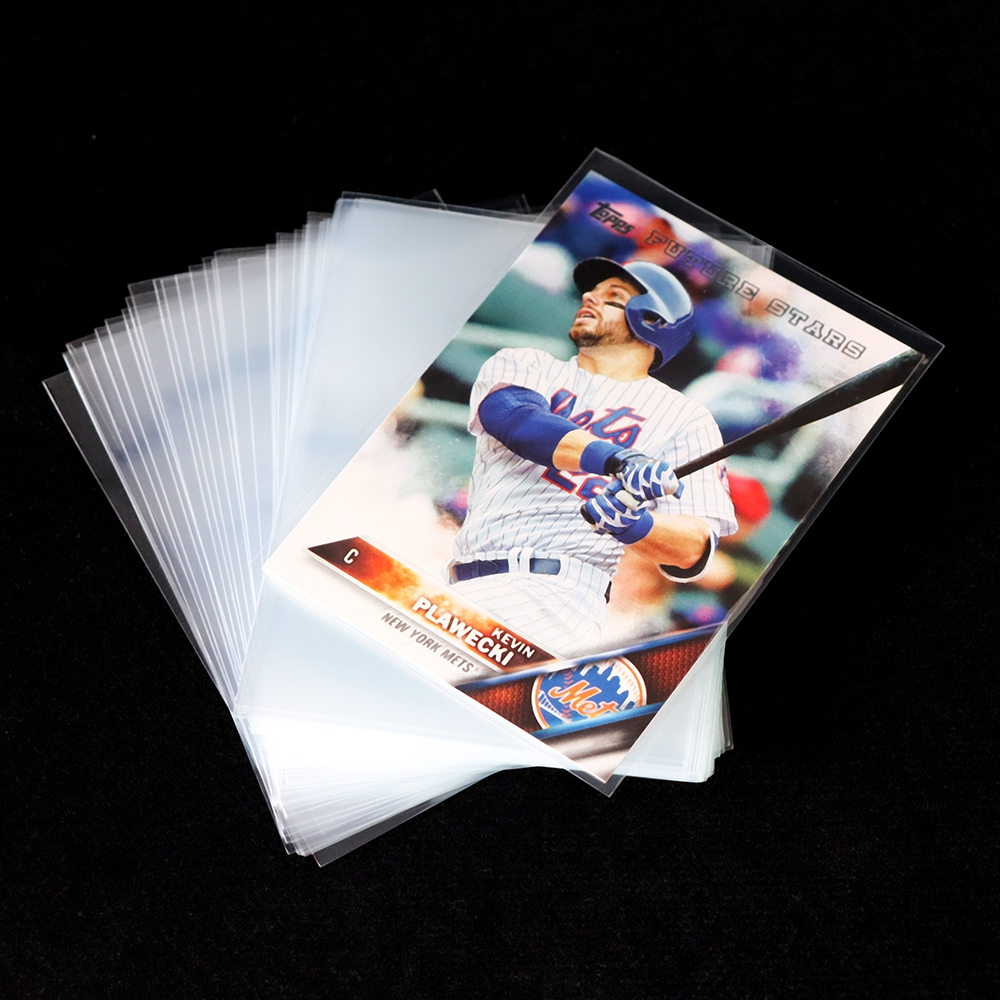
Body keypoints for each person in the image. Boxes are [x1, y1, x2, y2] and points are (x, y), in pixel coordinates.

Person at [447, 257, 737, 657]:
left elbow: (693, 547)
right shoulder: (528, 363)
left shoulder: (686, 419)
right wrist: (618, 460)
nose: (589, 297)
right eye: (591, 291)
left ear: (652, 320)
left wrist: (635, 524)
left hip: (557, 598)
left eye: (612, 295)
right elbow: (515, 420)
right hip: (462, 577)